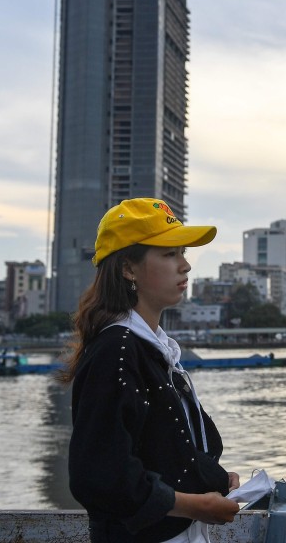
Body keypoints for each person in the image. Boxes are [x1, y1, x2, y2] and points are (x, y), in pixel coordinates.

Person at [58, 198, 241, 543]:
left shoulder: (151, 350)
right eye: (170, 254)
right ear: (128, 268)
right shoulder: (118, 350)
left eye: (182, 253)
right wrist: (195, 506)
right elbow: (97, 476)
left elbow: (159, 452)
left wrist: (213, 480)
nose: (185, 266)